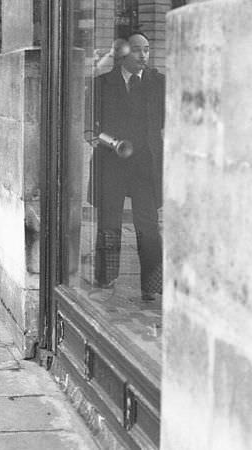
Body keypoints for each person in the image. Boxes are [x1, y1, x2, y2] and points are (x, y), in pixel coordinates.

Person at [89, 32, 164, 301]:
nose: (143, 55)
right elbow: (90, 128)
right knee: (109, 223)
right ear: (122, 53)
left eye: (146, 49)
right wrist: (111, 142)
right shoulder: (103, 83)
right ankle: (106, 278)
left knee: (149, 226)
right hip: (112, 165)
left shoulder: (159, 83)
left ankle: (152, 285)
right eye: (136, 50)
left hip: (146, 166)